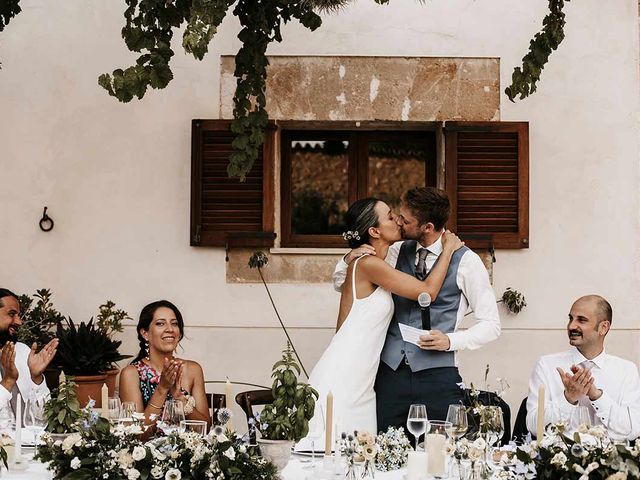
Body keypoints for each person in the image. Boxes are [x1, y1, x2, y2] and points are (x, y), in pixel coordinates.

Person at [298, 197, 463, 447]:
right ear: (374, 231)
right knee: (331, 451)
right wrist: (449, 250)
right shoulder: (368, 264)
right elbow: (426, 293)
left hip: (364, 378)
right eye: (389, 216)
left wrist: (345, 258)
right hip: (346, 374)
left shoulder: (375, 261)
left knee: (358, 457)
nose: (397, 219)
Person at [333, 187, 500, 431]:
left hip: (438, 376)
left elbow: (492, 325)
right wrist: (349, 258)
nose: (398, 221)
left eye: (405, 219)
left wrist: (451, 341)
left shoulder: (467, 261)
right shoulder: (395, 251)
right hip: (389, 375)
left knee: (441, 455)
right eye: (396, 216)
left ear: (427, 227)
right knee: (382, 451)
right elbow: (343, 283)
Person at [526, 295, 640, 440]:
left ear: (603, 327)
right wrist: (569, 398)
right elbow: (534, 427)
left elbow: (632, 430)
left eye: (581, 320)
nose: (571, 326)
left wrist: (597, 397)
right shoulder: (547, 365)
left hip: (609, 461)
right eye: (570, 319)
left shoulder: (627, 370)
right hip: (557, 460)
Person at [119, 300, 211, 427]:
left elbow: (204, 429)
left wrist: (180, 398)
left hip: (188, 446)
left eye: (174, 324)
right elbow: (136, 435)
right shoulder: (131, 374)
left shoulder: (192, 369)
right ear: (145, 333)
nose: (170, 329)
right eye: (160, 324)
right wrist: (162, 388)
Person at [0, 288, 58, 411]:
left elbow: (43, 415)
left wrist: (37, 378)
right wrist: (8, 381)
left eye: (18, 315)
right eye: (11, 314)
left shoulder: (23, 352)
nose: (19, 322)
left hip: (30, 431)